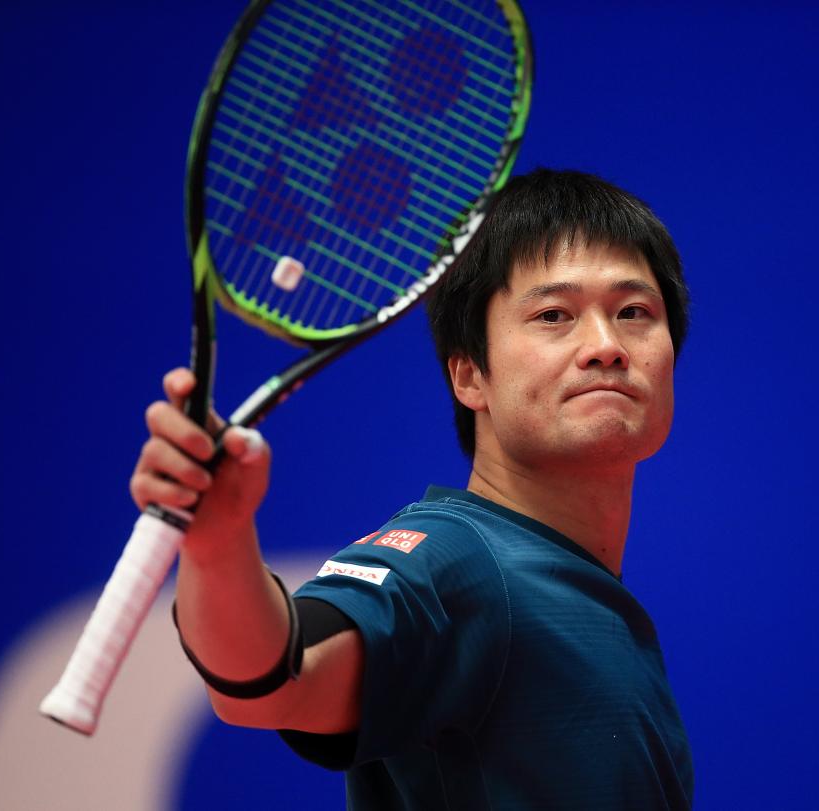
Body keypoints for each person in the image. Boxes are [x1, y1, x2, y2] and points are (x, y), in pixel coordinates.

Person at [132, 168, 694, 809]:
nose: (605, 345)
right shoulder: (458, 560)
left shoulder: (587, 596)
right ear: (469, 375)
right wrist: (218, 541)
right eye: (553, 315)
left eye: (633, 312)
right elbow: (272, 680)